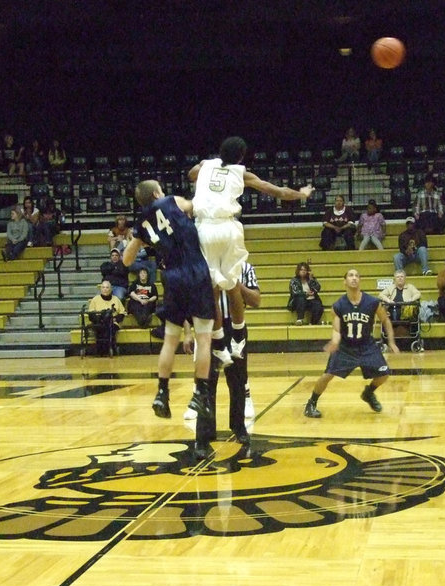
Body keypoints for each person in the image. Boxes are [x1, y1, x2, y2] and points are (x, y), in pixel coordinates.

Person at [188, 136, 313, 367]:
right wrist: (302, 194)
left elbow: (191, 174)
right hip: (228, 228)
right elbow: (278, 192)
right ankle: (238, 338)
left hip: (203, 229)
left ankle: (220, 346)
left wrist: (205, 167)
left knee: (212, 291)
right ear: (241, 157)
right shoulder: (241, 173)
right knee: (233, 284)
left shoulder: (205, 165)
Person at [124, 180, 216, 458]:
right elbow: (194, 206)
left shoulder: (142, 223)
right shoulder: (171, 200)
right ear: (156, 193)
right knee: (204, 338)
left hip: (172, 277)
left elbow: (126, 260)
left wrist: (138, 238)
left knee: (170, 340)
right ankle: (200, 393)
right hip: (196, 271)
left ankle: (162, 392)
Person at [304, 269, 399, 419]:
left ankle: (368, 393)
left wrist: (391, 342)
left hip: (366, 345)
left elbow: (385, 321)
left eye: (357, 276)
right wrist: (335, 341)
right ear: (345, 281)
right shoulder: (338, 305)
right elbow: (336, 329)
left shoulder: (372, 302)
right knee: (327, 375)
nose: (354, 278)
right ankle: (311, 403)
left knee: (384, 374)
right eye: (350, 275)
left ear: (360, 280)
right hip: (346, 347)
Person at [186, 261, 261, 442]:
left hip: (235, 327)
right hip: (208, 327)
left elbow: (256, 300)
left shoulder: (245, 267)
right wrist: (188, 332)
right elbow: (187, 302)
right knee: (206, 381)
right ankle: (204, 435)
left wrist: (235, 285)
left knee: (238, 381)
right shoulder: (201, 265)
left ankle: (239, 427)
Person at [87, 281, 126, 356]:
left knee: (109, 329)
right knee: (100, 328)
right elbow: (91, 315)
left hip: (113, 322)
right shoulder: (95, 299)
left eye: (107, 287)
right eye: (103, 287)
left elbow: (122, 313)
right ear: (101, 289)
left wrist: (115, 319)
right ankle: (101, 350)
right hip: (99, 322)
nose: (105, 289)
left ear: (110, 289)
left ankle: (108, 349)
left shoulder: (116, 299)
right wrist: (99, 319)